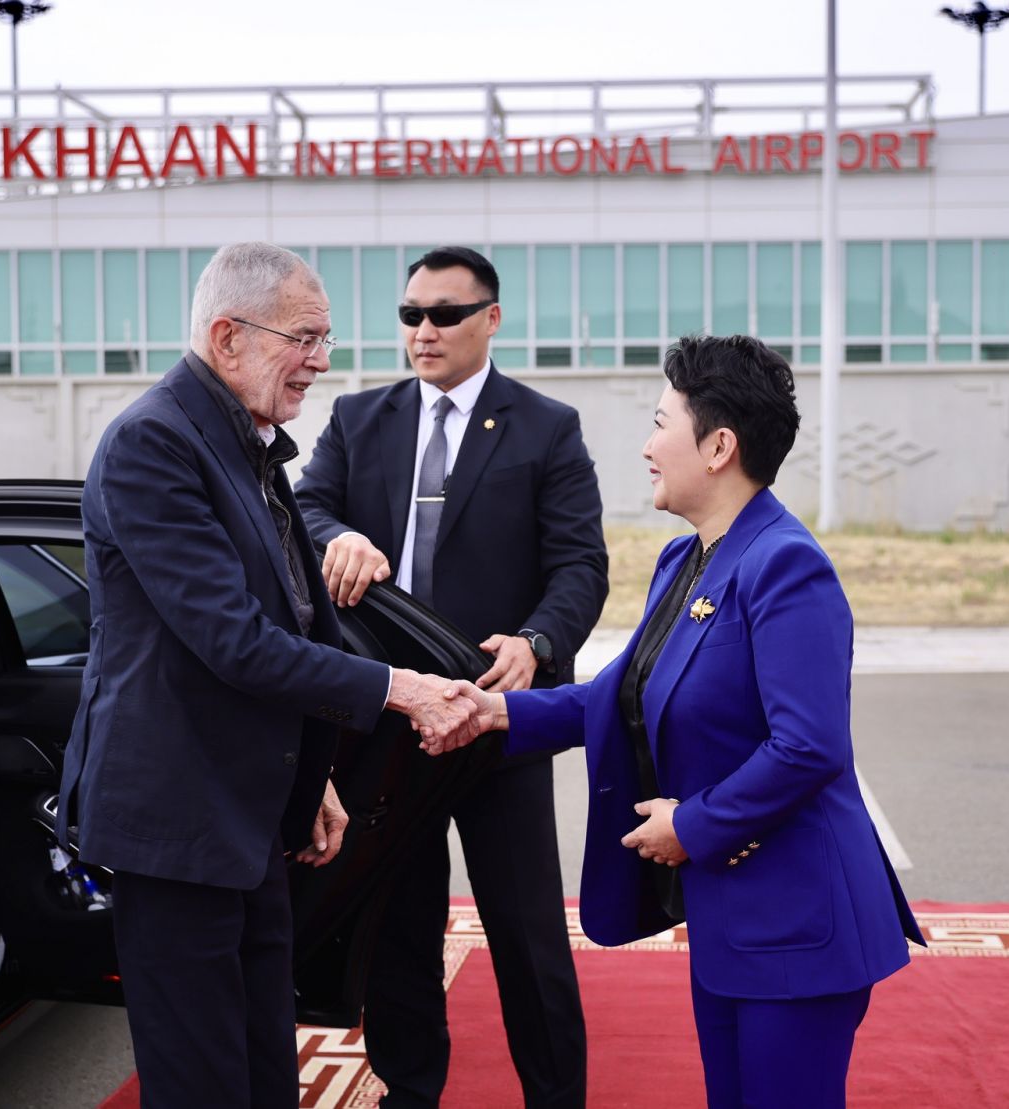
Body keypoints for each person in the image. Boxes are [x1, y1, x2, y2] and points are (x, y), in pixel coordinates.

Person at [436, 335, 924, 1109]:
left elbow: (809, 746)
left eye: (662, 423)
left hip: (799, 921)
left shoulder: (785, 564)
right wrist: (497, 711)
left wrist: (692, 826)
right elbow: (624, 693)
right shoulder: (684, 559)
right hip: (733, 919)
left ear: (719, 447)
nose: (647, 446)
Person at [57, 242, 479, 1109]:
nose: (321, 361)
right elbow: (236, 644)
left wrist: (313, 772)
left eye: (326, 340)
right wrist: (400, 688)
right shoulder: (152, 445)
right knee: (204, 1083)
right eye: (305, 338)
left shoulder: (248, 444)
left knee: (263, 1074)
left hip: (249, 819)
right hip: (177, 831)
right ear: (228, 336)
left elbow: (295, 616)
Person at [296, 246, 608, 1107]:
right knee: (398, 925)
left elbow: (580, 565)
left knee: (527, 932)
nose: (423, 331)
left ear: (490, 319)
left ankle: (556, 1095)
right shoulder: (359, 419)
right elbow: (302, 506)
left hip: (496, 717)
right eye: (411, 315)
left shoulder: (546, 427)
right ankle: (410, 1091)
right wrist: (337, 536)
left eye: (444, 314)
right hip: (390, 719)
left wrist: (538, 643)